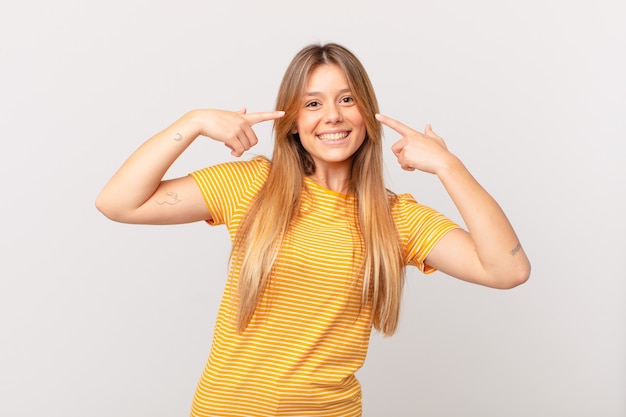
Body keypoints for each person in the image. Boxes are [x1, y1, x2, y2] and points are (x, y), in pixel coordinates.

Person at [96, 43, 530, 417]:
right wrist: (190, 122)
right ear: (294, 120)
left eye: (346, 99)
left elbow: (507, 270)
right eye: (313, 103)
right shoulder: (250, 186)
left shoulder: (396, 219)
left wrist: (449, 167)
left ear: (367, 112)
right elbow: (118, 202)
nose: (332, 117)